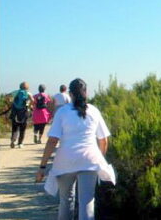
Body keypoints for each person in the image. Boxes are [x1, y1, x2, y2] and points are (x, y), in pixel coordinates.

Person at [36, 78, 116, 220]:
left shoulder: (62, 112)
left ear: (70, 94)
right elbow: (103, 140)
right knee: (87, 201)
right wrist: (100, 159)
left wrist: (42, 166)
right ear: (86, 93)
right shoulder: (94, 111)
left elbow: (52, 140)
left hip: (65, 160)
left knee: (66, 200)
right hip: (90, 160)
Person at [7, 82, 33, 148]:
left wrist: (10, 102)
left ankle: (13, 140)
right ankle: (20, 143)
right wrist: (29, 105)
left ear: (20, 87)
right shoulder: (28, 93)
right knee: (22, 128)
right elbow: (33, 100)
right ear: (27, 88)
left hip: (15, 111)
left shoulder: (16, 92)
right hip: (24, 112)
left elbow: (7, 96)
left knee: (14, 127)